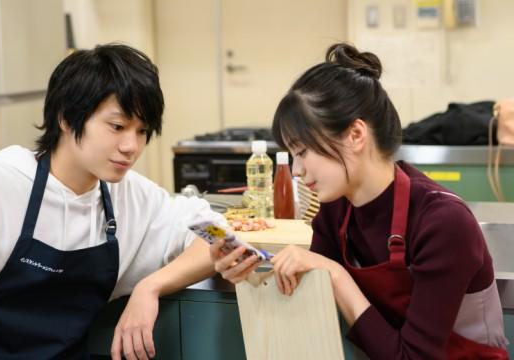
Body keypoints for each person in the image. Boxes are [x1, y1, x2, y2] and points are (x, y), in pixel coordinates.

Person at [0, 44, 224, 360]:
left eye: (142, 131)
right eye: (118, 126)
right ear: (67, 118)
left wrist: (150, 287)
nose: (131, 146)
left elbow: (218, 235)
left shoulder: (131, 196)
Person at [211, 43, 509, 359]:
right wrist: (252, 277)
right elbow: (313, 298)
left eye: (302, 152)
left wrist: (336, 275)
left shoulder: (442, 222)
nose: (297, 171)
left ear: (355, 134)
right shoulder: (335, 209)